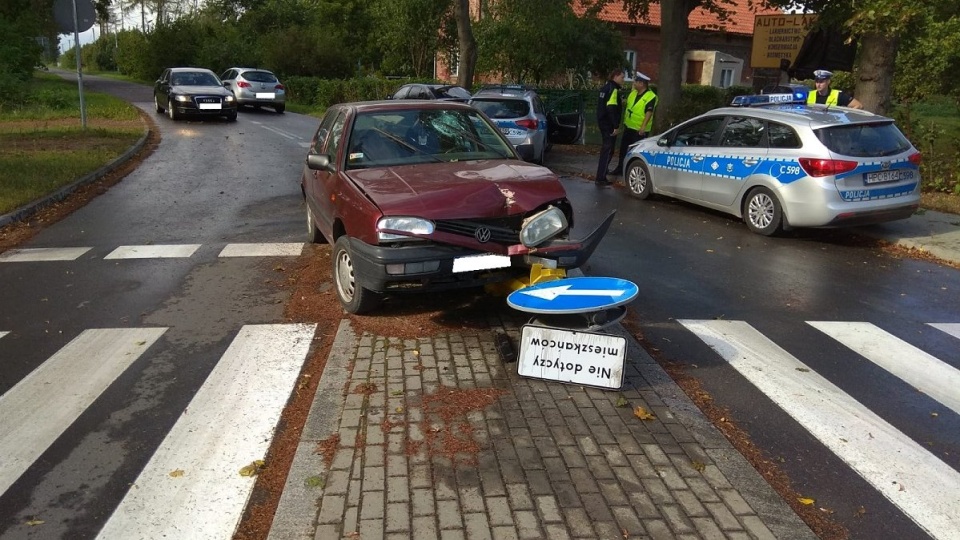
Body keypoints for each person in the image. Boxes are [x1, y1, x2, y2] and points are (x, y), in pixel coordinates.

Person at [615, 72, 657, 175]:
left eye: (636, 82)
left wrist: (643, 127)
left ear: (642, 83)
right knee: (624, 150)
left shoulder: (651, 96)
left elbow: (649, 112)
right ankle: (620, 169)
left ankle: (631, 172)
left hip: (639, 131)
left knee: (636, 153)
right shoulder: (633, 93)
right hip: (629, 127)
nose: (634, 84)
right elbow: (630, 104)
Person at [595, 69, 625, 186]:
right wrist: (615, 126)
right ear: (616, 76)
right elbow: (611, 109)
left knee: (608, 149)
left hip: (603, 122)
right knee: (608, 150)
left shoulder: (606, 88)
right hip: (609, 125)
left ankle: (603, 171)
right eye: (622, 77)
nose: (623, 80)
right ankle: (601, 177)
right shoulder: (613, 90)